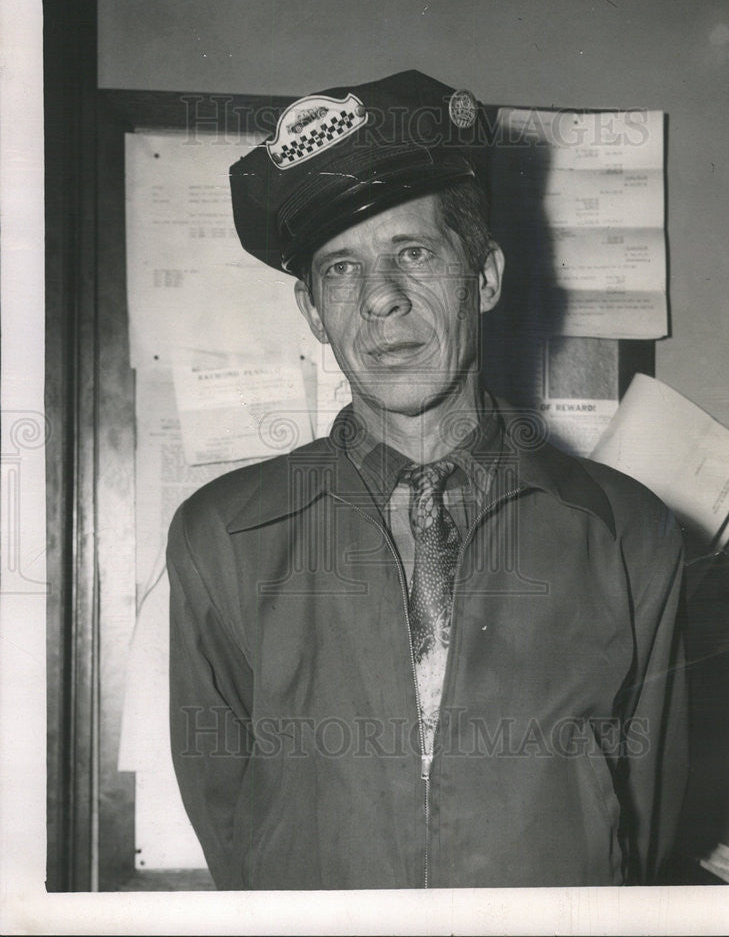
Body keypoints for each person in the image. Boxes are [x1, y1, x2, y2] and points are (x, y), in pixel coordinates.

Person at [167, 70, 688, 890]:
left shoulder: (627, 534)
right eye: (340, 269)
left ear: (484, 278)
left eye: (413, 252)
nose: (380, 299)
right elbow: (232, 820)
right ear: (312, 312)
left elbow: (644, 825)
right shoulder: (222, 537)